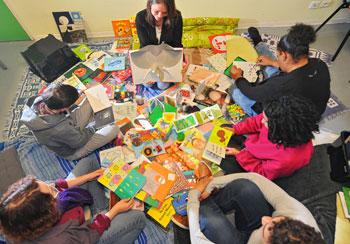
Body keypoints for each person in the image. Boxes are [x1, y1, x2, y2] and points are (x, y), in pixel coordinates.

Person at [0, 157, 146, 243]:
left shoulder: (22, 213)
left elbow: (58, 185)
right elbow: (90, 234)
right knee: (138, 217)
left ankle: (100, 210)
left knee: (88, 163)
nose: (52, 186)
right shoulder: (60, 239)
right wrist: (114, 211)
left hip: (74, 217)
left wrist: (90, 175)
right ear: (47, 213)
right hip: (85, 235)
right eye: (52, 191)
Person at [187, 172, 325, 244]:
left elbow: (197, 240)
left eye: (266, 228)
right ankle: (205, 201)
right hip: (255, 235)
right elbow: (255, 178)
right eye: (276, 220)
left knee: (211, 221)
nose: (264, 219)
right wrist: (211, 184)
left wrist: (194, 195)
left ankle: (200, 206)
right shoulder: (298, 215)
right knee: (246, 188)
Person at [230, 23, 330, 117]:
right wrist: (273, 62)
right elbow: (285, 70)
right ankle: (259, 43)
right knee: (268, 61)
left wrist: (238, 78)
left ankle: (259, 45)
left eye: (278, 55)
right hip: (310, 108)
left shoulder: (280, 85)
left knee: (235, 90)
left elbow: (252, 93)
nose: (277, 58)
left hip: (288, 121)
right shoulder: (319, 63)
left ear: (285, 55)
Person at [220, 96, 320, 180]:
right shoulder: (277, 121)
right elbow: (256, 121)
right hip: (252, 148)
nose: (262, 122)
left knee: (223, 161)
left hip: (256, 165)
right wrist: (235, 129)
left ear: (280, 129)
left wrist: (239, 154)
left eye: (266, 121)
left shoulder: (287, 160)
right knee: (224, 129)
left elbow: (262, 172)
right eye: (264, 117)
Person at [20, 84, 119, 160]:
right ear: (64, 108)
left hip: (66, 124)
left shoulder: (42, 98)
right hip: (73, 149)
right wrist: (95, 125)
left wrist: (80, 92)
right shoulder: (60, 129)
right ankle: (95, 122)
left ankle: (91, 121)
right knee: (114, 129)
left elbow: (60, 94)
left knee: (91, 98)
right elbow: (79, 142)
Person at [136, 0, 183, 91]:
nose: (160, 16)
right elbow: (144, 46)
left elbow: (177, 43)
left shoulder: (176, 16)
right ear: (150, 6)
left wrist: (179, 62)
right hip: (149, 55)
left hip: (167, 55)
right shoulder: (140, 17)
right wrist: (148, 69)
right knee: (147, 85)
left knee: (162, 86)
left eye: (165, 12)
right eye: (156, 12)